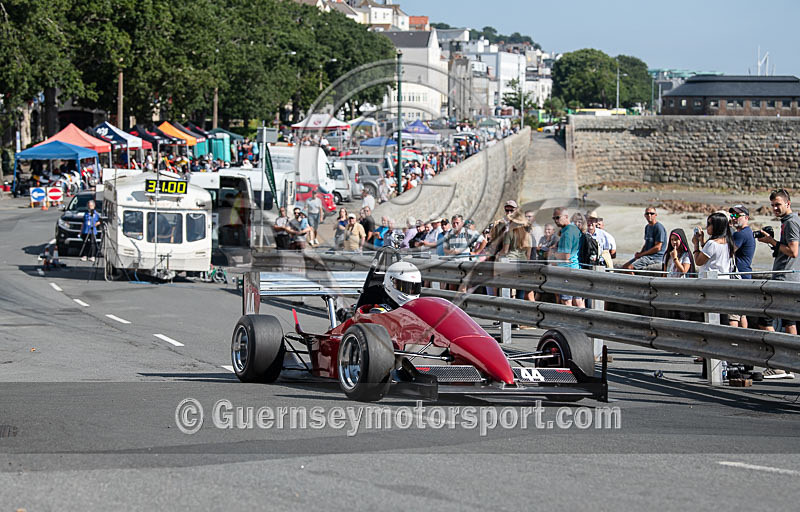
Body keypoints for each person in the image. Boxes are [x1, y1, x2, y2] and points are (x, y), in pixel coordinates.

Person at [755, 190, 799, 379]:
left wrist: (772, 241)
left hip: (785, 279)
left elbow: (793, 251)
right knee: (788, 321)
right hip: (789, 277)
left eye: (778, 204)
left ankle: (781, 363)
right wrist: (773, 243)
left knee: (765, 318)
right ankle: (791, 361)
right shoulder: (788, 222)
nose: (774, 208)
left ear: (788, 203)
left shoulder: (791, 222)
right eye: (772, 205)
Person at [552, 207, 584, 307]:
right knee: (578, 301)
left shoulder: (567, 233)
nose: (556, 221)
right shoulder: (574, 229)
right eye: (554, 218)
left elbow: (566, 256)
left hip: (567, 271)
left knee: (566, 301)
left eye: (557, 217)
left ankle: (569, 322)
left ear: (566, 216)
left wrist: (552, 253)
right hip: (576, 268)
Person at [692, 212, 735, 278]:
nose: (707, 227)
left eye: (709, 224)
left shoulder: (712, 244)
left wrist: (696, 244)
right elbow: (710, 255)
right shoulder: (728, 242)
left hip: (711, 281)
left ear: (716, 226)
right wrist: (702, 241)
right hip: (724, 278)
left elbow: (698, 262)